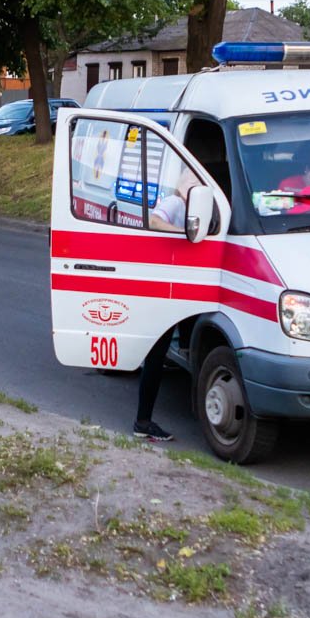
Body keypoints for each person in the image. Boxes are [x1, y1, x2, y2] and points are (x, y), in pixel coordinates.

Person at [135, 166, 206, 442]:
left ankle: (144, 420)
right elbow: (154, 221)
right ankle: (143, 422)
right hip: (164, 286)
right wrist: (183, 231)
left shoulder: (184, 204)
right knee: (156, 355)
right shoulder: (176, 202)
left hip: (175, 285)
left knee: (164, 350)